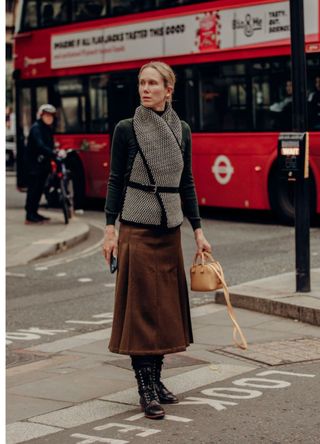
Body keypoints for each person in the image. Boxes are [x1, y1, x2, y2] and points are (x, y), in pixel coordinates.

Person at [103, 61, 211, 419]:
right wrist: (109, 228)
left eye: (152, 83)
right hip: (137, 227)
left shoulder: (182, 130)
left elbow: (188, 183)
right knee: (141, 312)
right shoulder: (126, 129)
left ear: (169, 89)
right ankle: (144, 387)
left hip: (169, 231)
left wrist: (197, 230)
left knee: (163, 311)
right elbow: (116, 180)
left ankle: (158, 379)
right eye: (141, 83)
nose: (145, 89)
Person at [25, 104, 57, 224]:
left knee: (39, 189)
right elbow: (40, 145)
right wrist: (52, 153)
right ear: (41, 116)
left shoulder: (47, 128)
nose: (49, 118)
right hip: (34, 165)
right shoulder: (36, 128)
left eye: (51, 116)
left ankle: (34, 213)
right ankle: (29, 215)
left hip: (43, 164)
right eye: (46, 116)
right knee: (33, 189)